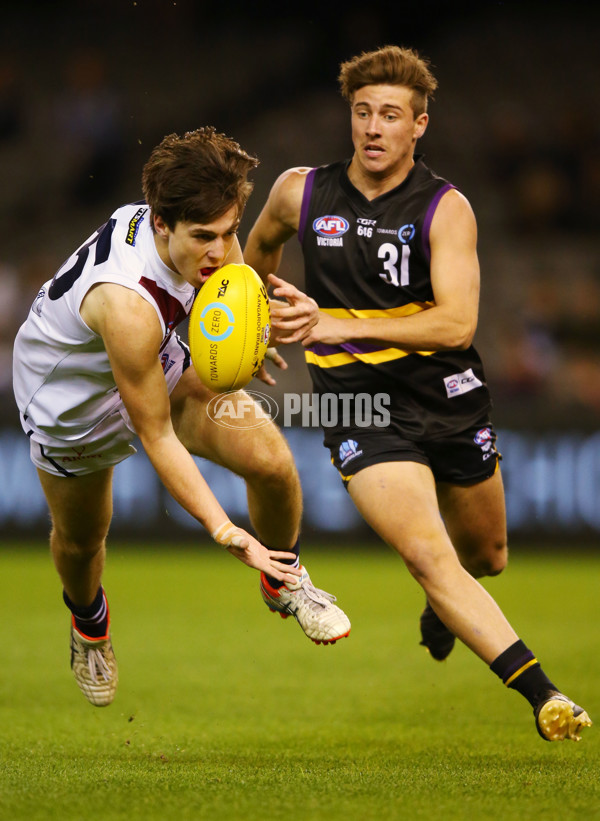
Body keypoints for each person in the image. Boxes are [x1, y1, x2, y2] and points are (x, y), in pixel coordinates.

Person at [244, 46, 592, 742]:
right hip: (356, 406)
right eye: (363, 112)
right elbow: (255, 258)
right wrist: (248, 330)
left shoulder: (445, 208)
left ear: (420, 125)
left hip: (448, 397)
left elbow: (456, 322)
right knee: (427, 555)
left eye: (391, 116)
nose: (374, 128)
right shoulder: (300, 192)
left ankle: (445, 608)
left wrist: (330, 319)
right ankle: (545, 694)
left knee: (485, 554)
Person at [12, 127, 350, 708]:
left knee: (273, 464)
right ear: (161, 224)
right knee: (82, 541)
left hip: (156, 362)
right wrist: (226, 530)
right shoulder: (126, 304)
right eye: (204, 238)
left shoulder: (199, 230)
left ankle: (285, 577)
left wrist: (251, 333)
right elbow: (156, 435)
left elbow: (233, 286)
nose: (219, 252)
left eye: (230, 232)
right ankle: (90, 624)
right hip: (69, 403)